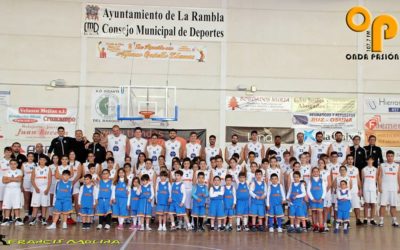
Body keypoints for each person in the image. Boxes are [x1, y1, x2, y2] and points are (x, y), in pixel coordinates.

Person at [377, 150, 400, 227]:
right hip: (384, 188)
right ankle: (381, 220)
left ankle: (394, 220)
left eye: (391, 156)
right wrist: (379, 187)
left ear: (393, 157)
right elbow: (379, 177)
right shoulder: (382, 165)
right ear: (386, 156)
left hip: (394, 188)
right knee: (383, 205)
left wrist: (399, 186)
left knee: (393, 205)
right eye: (388, 156)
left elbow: (398, 177)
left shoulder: (397, 166)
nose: (390, 157)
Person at [29, 156, 52, 226]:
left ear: (46, 161)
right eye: (41, 159)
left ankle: (43, 218)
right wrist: (35, 187)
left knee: (44, 205)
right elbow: (32, 179)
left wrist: (47, 189)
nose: (42, 161)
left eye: (43, 160)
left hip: (45, 188)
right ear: (39, 161)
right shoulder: (35, 169)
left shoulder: (48, 169)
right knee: (35, 204)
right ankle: (33, 218)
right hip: (37, 188)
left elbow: (49, 180)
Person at [1, 159, 24, 226]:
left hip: (16, 190)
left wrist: (9, 178)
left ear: (17, 164)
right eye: (11, 164)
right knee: (7, 205)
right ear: (9, 164)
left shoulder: (19, 171)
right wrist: (14, 179)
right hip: (8, 190)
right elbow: (4, 181)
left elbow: (19, 179)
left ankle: (17, 218)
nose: (13, 165)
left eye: (14, 164)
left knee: (16, 205)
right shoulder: (6, 171)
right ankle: (6, 218)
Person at [345, 155, 363, 225]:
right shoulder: (344, 168)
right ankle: (347, 221)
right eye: (348, 159)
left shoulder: (356, 169)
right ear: (346, 160)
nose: (350, 160)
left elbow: (358, 180)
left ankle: (358, 219)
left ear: (353, 160)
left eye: (351, 159)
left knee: (356, 206)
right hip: (346, 190)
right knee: (346, 207)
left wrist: (360, 189)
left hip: (355, 190)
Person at [307, 167, 326, 233]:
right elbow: (308, 190)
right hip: (313, 199)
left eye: (317, 171)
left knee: (320, 212)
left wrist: (322, 198)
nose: (315, 173)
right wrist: (312, 198)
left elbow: (324, 190)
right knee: (314, 212)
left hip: (320, 199)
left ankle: (321, 226)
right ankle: (315, 226)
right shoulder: (310, 181)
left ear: (319, 172)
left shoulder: (322, 180)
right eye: (314, 171)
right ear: (312, 173)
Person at [362, 156, 377, 225]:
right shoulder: (364, 169)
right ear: (366, 161)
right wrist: (361, 189)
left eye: (371, 160)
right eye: (369, 160)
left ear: (373, 161)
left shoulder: (376, 169)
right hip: (366, 188)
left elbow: (377, 180)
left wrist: (377, 189)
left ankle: (372, 219)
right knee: (366, 203)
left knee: (373, 204)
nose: (370, 161)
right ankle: (365, 218)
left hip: (373, 189)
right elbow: (362, 180)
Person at [22, 152, 36, 221]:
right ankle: (26, 215)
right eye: (29, 156)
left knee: (35, 200)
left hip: (34, 184)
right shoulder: (24, 165)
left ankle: (36, 215)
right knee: (27, 200)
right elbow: (21, 175)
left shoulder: (36, 165)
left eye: (32, 156)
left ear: (33, 158)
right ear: (27, 157)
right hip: (26, 183)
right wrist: (21, 185)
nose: (30, 158)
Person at [0, 147, 12, 221]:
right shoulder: (0, 161)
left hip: (10, 183)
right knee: (1, 200)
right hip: (1, 183)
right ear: (4, 152)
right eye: (7, 152)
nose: (8, 153)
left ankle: (8, 216)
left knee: (9, 200)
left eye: (10, 152)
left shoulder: (13, 161)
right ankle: (0, 214)